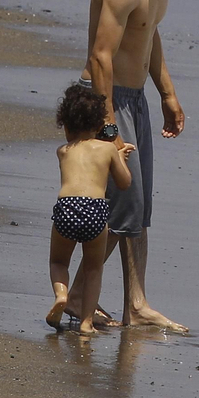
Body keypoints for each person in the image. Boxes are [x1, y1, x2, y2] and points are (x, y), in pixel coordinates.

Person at [64, 0, 199, 333]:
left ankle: (136, 303)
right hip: (103, 98)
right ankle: (78, 295)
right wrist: (110, 128)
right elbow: (100, 58)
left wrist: (167, 94)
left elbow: (148, 35)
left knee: (139, 208)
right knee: (124, 202)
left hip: (134, 100)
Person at [45, 84, 135, 335]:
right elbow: (124, 182)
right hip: (95, 210)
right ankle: (86, 322)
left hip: (67, 207)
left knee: (58, 260)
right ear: (98, 125)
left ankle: (61, 295)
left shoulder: (62, 151)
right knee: (93, 268)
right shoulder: (107, 149)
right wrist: (120, 158)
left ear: (66, 124)